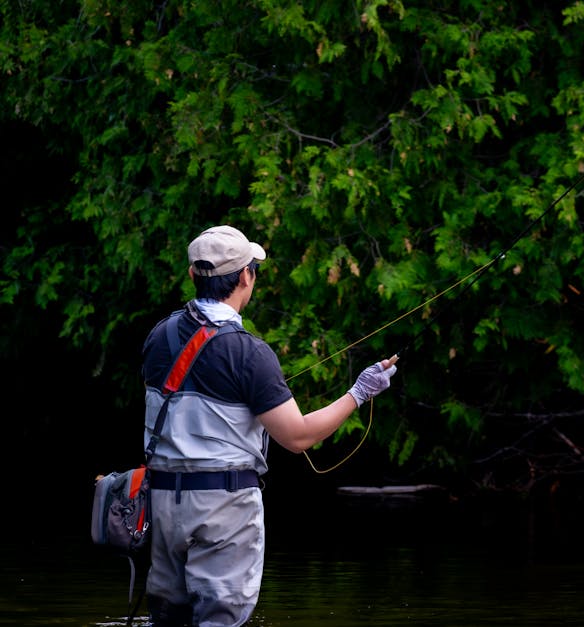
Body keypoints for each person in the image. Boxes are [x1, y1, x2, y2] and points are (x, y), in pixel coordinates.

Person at [140, 224, 397, 626]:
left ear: (193, 275)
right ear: (245, 276)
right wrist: (360, 392)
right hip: (222, 509)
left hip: (162, 504)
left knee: (169, 620)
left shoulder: (160, 336)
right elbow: (297, 437)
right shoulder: (247, 352)